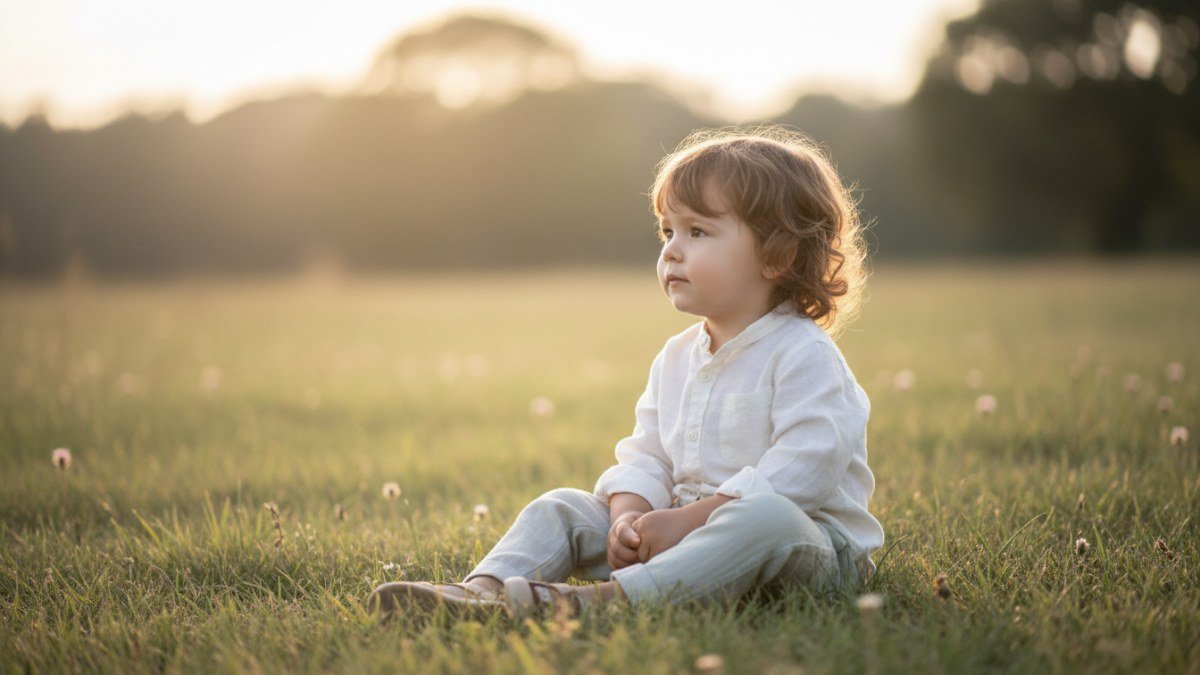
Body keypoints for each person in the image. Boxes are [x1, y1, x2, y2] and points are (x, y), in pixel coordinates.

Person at [369, 126, 883, 621]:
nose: (671, 250)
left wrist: (687, 521)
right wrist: (628, 518)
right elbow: (648, 453)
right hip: (678, 525)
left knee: (764, 518)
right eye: (668, 231)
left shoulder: (803, 354)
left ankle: (605, 604)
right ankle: (483, 592)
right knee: (564, 507)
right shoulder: (677, 357)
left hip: (803, 552)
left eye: (698, 231)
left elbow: (801, 474)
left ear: (779, 255)